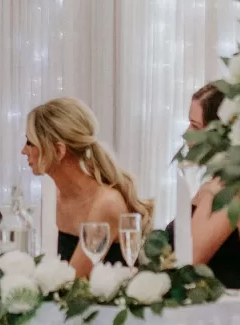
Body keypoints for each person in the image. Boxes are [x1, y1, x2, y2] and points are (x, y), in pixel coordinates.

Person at [22, 98, 152, 277]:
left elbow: (72, 281)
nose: (23, 151)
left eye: (30, 143)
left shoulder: (106, 204)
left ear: (59, 151)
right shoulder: (55, 195)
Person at [178, 83, 240, 289]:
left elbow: (188, 263)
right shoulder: (214, 183)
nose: (186, 134)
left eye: (195, 126)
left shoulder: (233, 190)